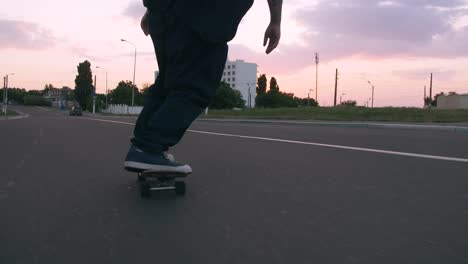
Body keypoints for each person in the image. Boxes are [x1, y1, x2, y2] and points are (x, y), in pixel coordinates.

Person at [124, 0, 283, 173]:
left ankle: (142, 149)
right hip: (203, 13)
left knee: (167, 83)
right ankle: (150, 148)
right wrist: (275, 21)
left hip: (160, 11)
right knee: (195, 87)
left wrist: (151, 11)